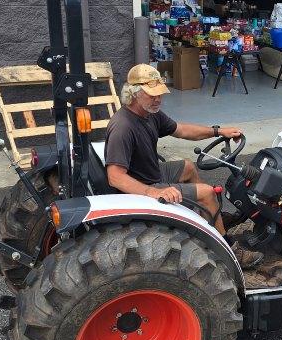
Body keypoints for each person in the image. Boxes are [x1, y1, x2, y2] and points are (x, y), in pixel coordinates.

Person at [105, 64, 263, 268]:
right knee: (207, 193)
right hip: (141, 186)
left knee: (188, 166)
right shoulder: (123, 127)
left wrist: (217, 131)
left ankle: (207, 218)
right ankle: (229, 250)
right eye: (152, 94)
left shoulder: (149, 114)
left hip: (150, 173)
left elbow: (181, 130)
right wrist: (151, 192)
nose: (158, 99)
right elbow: (115, 177)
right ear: (133, 93)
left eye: (160, 93)